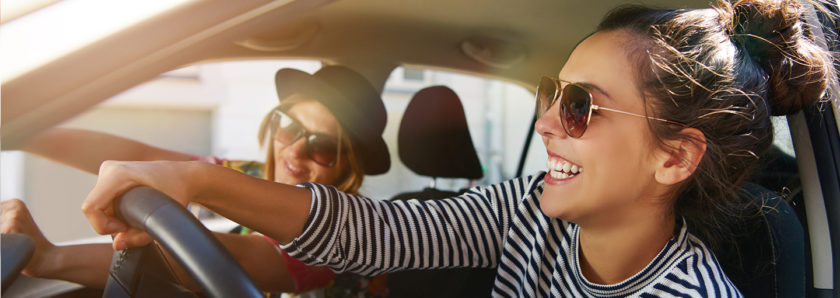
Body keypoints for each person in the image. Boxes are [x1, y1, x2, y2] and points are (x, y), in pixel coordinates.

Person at [81, 0, 835, 297]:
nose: (546, 123)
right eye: (549, 92)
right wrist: (189, 179)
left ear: (673, 158)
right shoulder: (527, 214)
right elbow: (370, 234)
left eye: (580, 106)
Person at [1, 65, 391, 295]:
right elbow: (140, 159)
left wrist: (52, 257)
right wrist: (24, 131)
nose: (294, 152)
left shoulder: (345, 235)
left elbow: (234, 257)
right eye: (288, 126)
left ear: (347, 167)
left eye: (323, 146)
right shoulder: (247, 173)